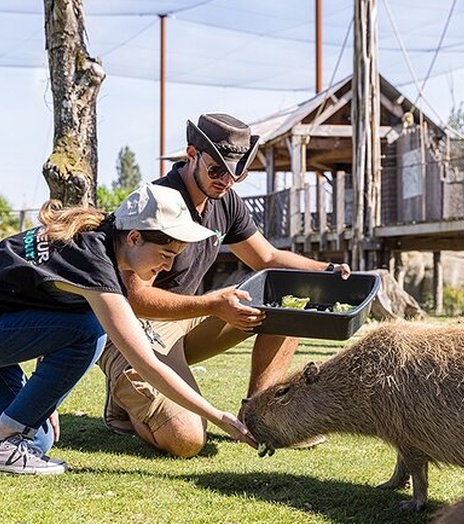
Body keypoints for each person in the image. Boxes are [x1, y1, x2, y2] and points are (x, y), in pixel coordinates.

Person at [0, 184, 256, 475]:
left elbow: (36, 305)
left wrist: (40, 398)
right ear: (134, 237)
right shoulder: (94, 263)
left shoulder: (98, 237)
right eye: (165, 254)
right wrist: (218, 416)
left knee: (35, 440)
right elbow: (145, 361)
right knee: (92, 330)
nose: (168, 267)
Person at [99, 113, 351, 458]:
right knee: (187, 440)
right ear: (192, 154)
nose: (226, 181)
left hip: (183, 321)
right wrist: (212, 305)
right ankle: (126, 400)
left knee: (284, 312)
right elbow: (136, 298)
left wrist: (327, 270)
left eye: (237, 173)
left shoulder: (225, 200)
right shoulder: (159, 202)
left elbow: (267, 258)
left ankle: (260, 418)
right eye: (217, 170)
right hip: (133, 330)